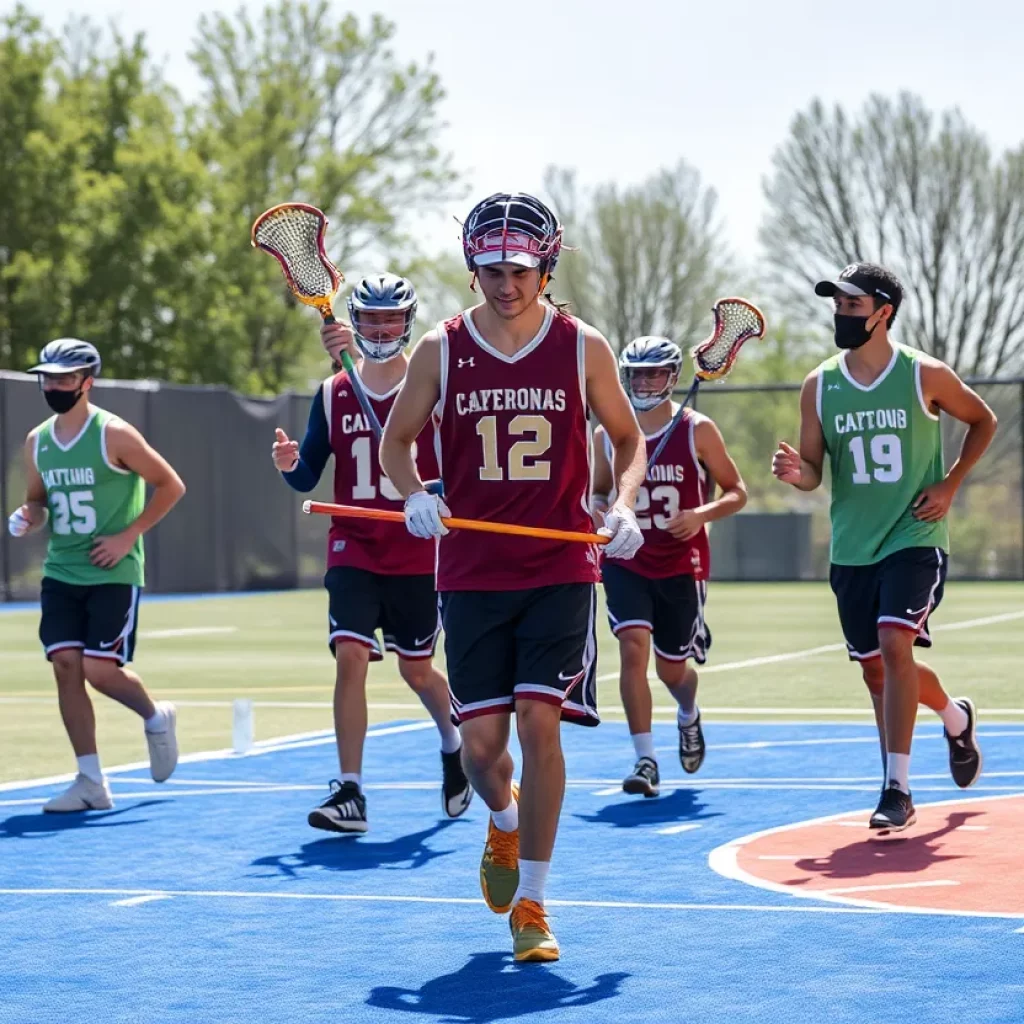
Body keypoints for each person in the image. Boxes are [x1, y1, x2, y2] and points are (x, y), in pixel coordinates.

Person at [380, 192, 646, 962]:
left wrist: (622, 505)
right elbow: (400, 444)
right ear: (473, 268)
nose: (505, 283)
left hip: (560, 565)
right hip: (470, 571)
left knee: (538, 722)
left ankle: (534, 900)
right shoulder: (441, 347)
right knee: (481, 750)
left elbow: (627, 439)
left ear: (547, 266)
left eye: (521, 269)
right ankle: (502, 820)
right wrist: (416, 494)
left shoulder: (580, 345)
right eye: (491, 268)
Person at [771, 262, 997, 832]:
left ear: (882, 313)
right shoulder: (819, 385)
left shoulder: (924, 374)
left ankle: (896, 787)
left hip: (915, 535)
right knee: (878, 671)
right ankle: (954, 715)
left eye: (852, 305)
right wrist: (797, 472)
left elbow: (983, 420)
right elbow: (815, 473)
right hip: (853, 547)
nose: (840, 314)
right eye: (837, 305)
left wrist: (950, 484)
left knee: (895, 643)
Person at [272, 273, 472, 835]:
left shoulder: (433, 386)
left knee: (416, 670)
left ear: (407, 322)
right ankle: (351, 790)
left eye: (391, 318)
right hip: (353, 545)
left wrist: (438, 495)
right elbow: (309, 472)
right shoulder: (333, 393)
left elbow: (459, 467)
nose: (380, 329)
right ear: (353, 324)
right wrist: (290, 465)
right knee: (350, 657)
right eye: (370, 319)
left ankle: (452, 741)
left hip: (416, 551)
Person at [7, 338, 185, 812]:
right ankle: (90, 780)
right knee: (66, 666)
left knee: (98, 669)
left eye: (65, 378)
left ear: (87, 382)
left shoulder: (115, 434)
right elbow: (39, 501)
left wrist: (129, 535)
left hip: (113, 571)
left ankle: (154, 716)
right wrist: (27, 516)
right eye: (48, 377)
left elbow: (171, 485)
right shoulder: (37, 441)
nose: (54, 386)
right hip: (61, 570)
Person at [592, 336, 747, 798]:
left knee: (671, 670)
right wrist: (602, 510)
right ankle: (645, 757)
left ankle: (688, 713)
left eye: (653, 372)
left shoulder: (697, 429)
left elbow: (737, 490)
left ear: (672, 376)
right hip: (627, 558)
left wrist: (700, 515)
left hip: (682, 562)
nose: (643, 382)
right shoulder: (607, 434)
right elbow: (599, 490)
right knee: (632, 648)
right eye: (635, 373)